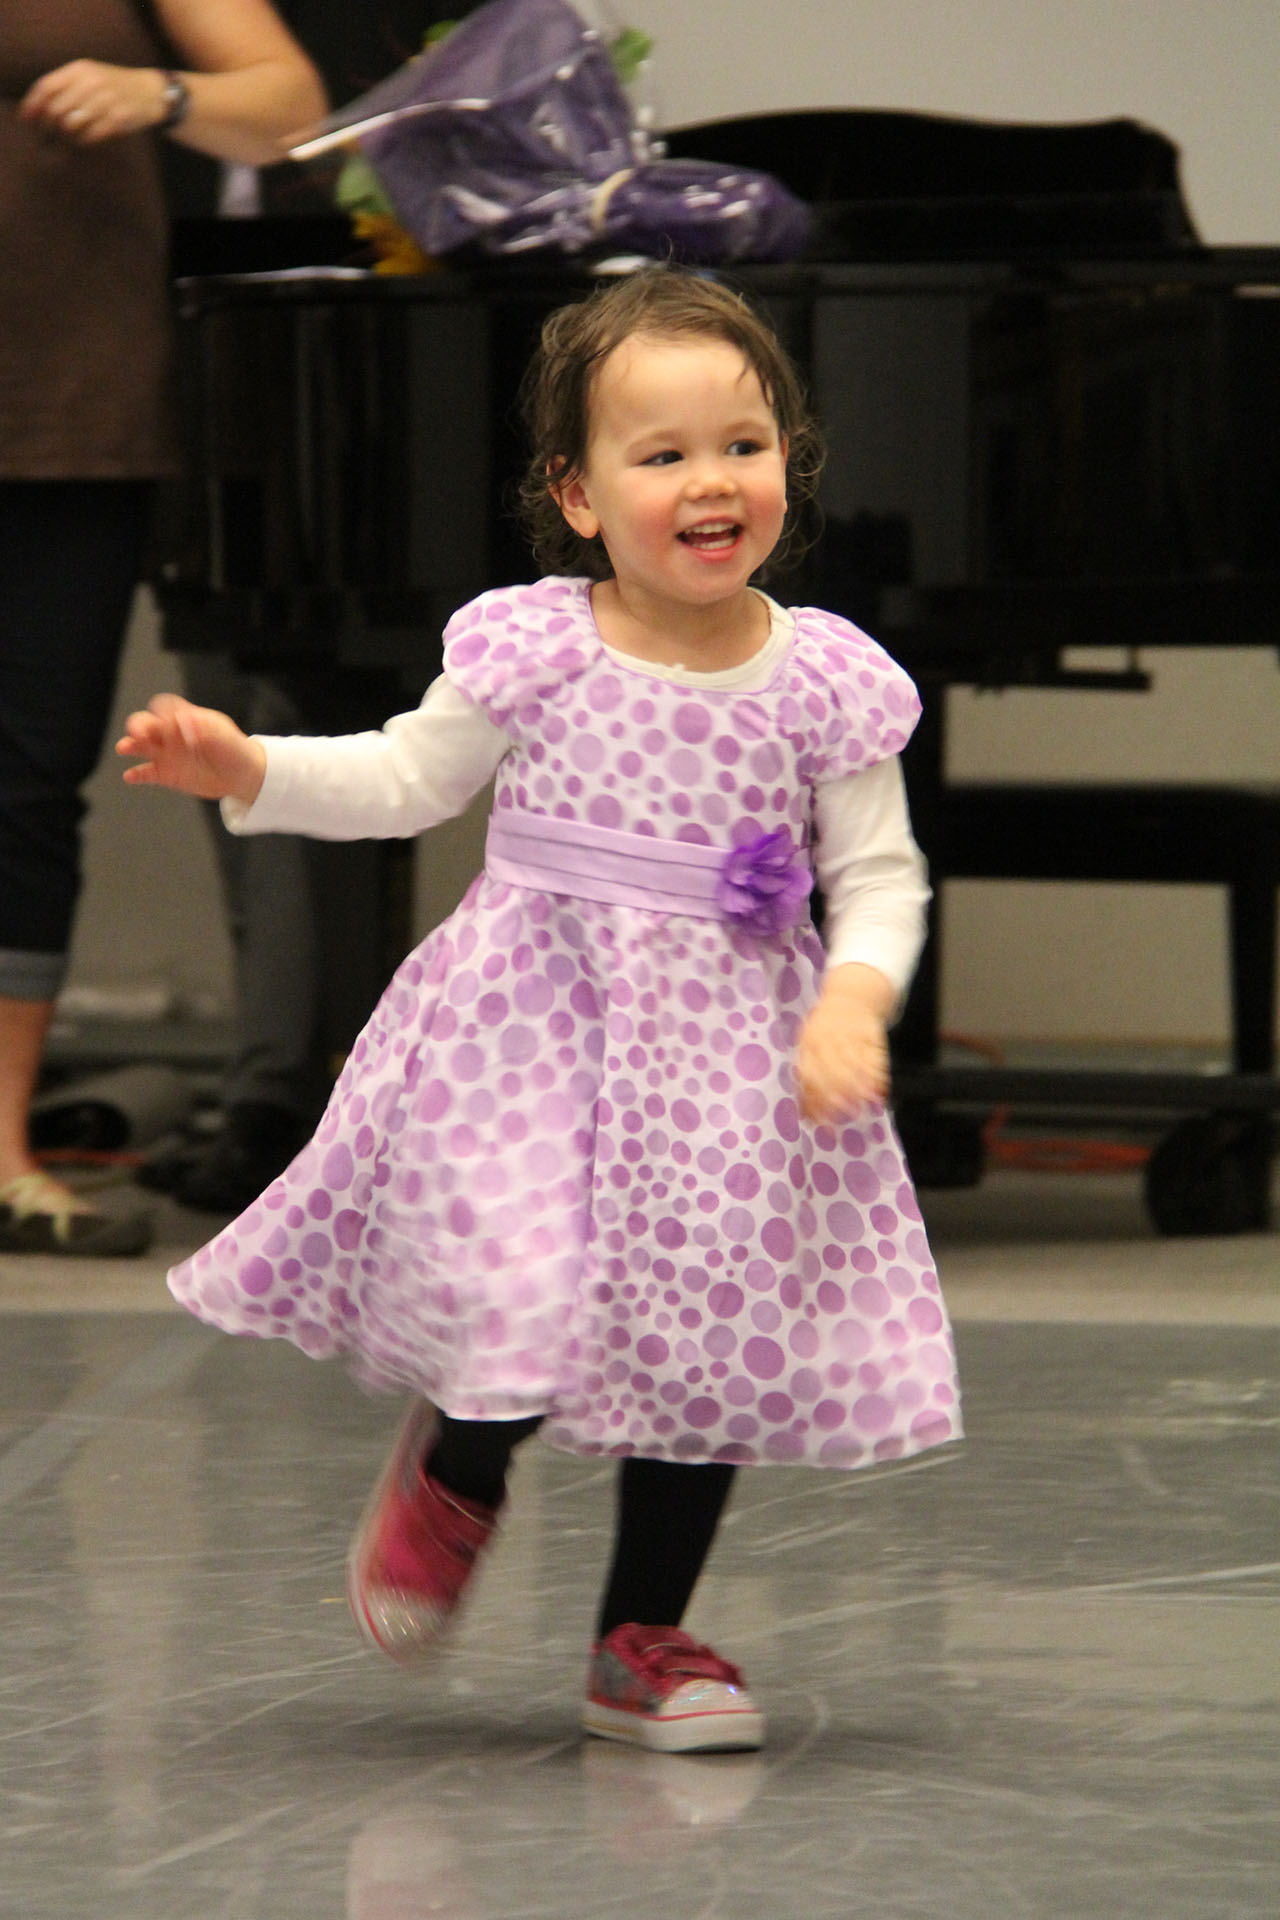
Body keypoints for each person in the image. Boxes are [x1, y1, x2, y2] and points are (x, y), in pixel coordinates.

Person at [118, 268, 963, 1753]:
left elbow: (881, 877)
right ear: (577, 497)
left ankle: (640, 1638)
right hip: (532, 1033)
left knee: (710, 1344)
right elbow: (402, 780)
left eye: (745, 445)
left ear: (789, 464)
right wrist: (250, 767)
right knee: (523, 1274)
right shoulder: (540, 647)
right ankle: (460, 1476)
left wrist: (853, 997)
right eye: (663, 454)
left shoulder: (824, 682)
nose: (713, 481)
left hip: (726, 1063)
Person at [0, 0, 326, 1257]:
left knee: (27, 783)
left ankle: (8, 1156)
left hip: (65, 416)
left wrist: (163, 97)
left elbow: (290, 103)